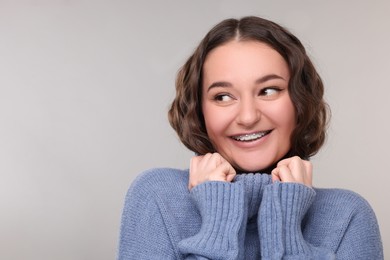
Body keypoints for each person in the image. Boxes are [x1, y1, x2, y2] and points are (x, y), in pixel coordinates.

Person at [117, 16, 383, 259]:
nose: (247, 116)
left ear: (300, 102)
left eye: (268, 90)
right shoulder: (157, 196)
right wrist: (218, 220)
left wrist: (286, 231)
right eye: (223, 96)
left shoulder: (348, 217)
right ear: (200, 111)